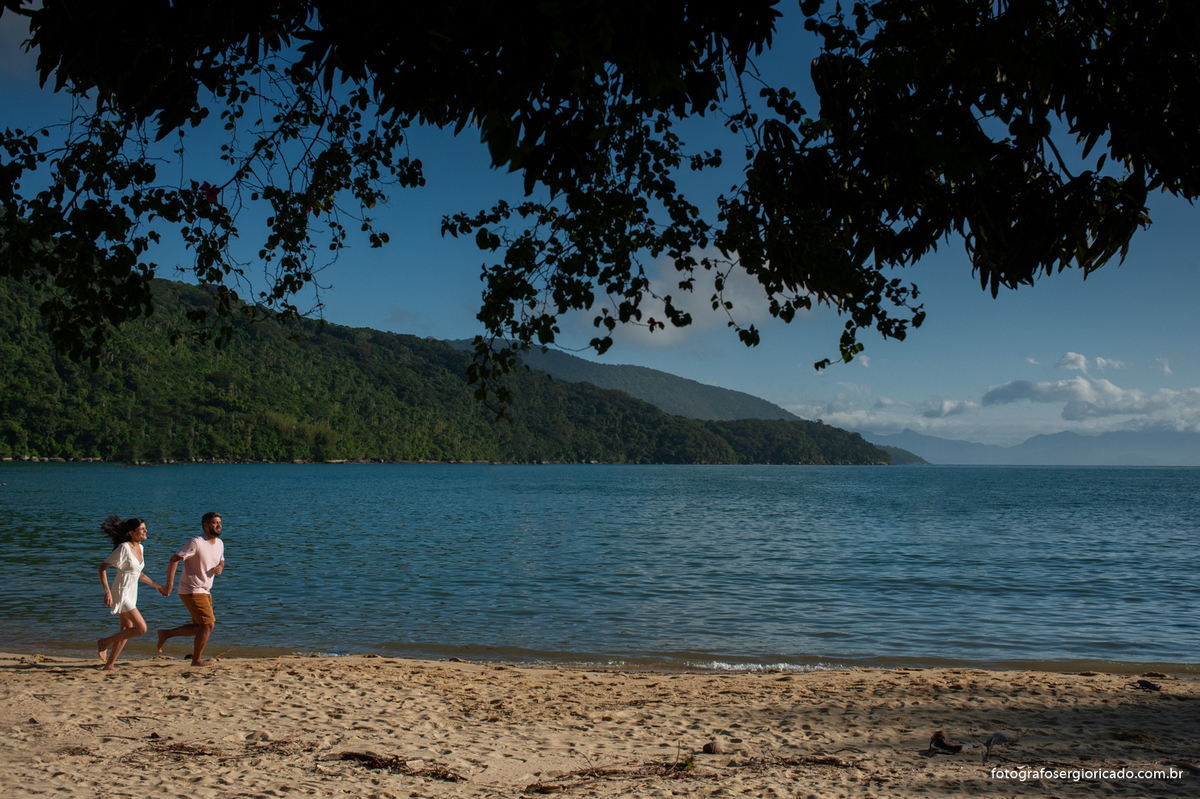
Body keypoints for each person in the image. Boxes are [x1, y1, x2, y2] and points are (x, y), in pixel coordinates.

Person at [97, 516, 167, 671]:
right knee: (141, 628)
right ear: (131, 533)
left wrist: (156, 585)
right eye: (142, 529)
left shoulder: (140, 548)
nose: (145, 531)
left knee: (126, 629)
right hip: (121, 591)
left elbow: (138, 573)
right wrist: (107, 592)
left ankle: (109, 665)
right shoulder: (123, 548)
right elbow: (102, 568)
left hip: (131, 591)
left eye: (144, 528)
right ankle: (104, 642)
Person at [157, 512, 225, 666]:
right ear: (205, 526)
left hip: (205, 590)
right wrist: (169, 584)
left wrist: (220, 567)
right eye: (215, 523)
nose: (219, 526)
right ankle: (196, 660)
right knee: (208, 625)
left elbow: (221, 560)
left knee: (198, 628)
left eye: (220, 523)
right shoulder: (196, 542)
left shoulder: (219, 543)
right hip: (191, 589)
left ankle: (166, 634)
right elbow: (174, 559)